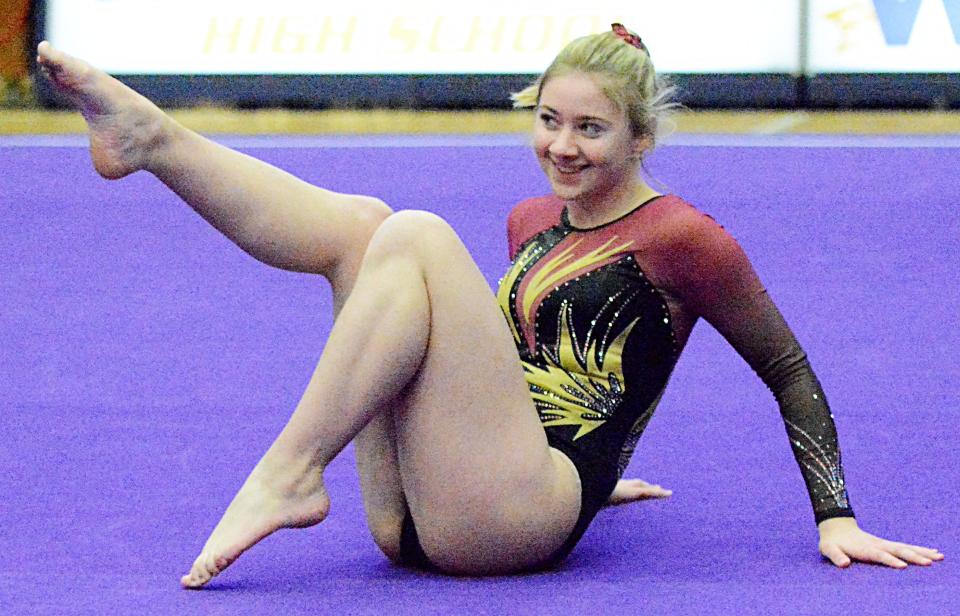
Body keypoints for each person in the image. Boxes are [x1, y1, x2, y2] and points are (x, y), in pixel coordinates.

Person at [35, 24, 943, 588]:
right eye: (549, 120)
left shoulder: (683, 237)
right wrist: (606, 452)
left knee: (413, 233)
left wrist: (837, 517)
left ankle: (289, 471)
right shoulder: (529, 221)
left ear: (640, 136)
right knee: (367, 229)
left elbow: (788, 370)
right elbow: (515, 374)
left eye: (591, 128)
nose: (563, 146)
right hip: (427, 518)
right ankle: (154, 140)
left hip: (521, 524)